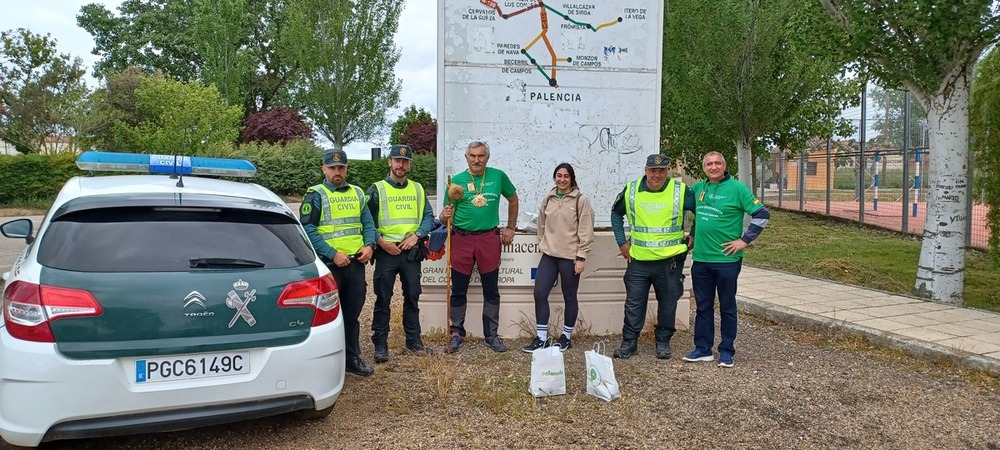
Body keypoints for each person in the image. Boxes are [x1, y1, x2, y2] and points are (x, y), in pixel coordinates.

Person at [682, 151, 770, 368]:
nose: (713, 167)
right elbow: (697, 215)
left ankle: (727, 351)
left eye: (717, 163)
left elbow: (762, 214)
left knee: (727, 306)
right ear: (704, 168)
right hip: (701, 259)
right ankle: (703, 349)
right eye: (709, 164)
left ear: (724, 165)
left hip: (727, 260)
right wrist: (692, 234)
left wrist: (745, 240)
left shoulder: (738, 189)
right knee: (703, 306)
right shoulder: (698, 189)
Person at [610, 154, 696, 360]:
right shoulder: (631, 190)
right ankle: (629, 342)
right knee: (634, 303)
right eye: (652, 170)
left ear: (667, 171)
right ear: (645, 170)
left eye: (662, 170)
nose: (657, 174)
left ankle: (663, 342)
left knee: (668, 302)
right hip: (638, 260)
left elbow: (700, 213)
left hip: (670, 261)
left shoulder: (680, 191)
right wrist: (622, 242)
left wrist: (694, 233)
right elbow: (615, 214)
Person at [300, 149, 377, 376]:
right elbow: (307, 229)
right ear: (324, 169)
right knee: (326, 317)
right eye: (332, 168)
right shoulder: (315, 194)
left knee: (352, 315)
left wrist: (370, 245)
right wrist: (333, 253)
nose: (337, 172)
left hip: (355, 264)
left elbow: (368, 224)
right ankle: (325, 363)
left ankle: (351, 358)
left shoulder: (357, 193)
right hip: (330, 266)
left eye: (341, 167)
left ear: (346, 169)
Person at [439, 140, 518, 353]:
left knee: (491, 289)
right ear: (466, 158)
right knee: (459, 289)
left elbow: (513, 199)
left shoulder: (498, 176)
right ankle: (456, 332)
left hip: (488, 239)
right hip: (462, 239)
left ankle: (491, 335)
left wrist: (511, 227)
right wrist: (443, 215)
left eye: (481, 156)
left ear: (487, 158)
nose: (476, 160)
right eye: (472, 156)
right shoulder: (456, 181)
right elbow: (444, 215)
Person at [366, 144, 435, 363]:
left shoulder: (417, 188)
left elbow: (428, 217)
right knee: (383, 298)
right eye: (397, 161)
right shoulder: (376, 190)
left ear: (410, 165)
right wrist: (381, 243)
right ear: (389, 162)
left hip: (410, 252)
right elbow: (366, 221)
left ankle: (413, 342)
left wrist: (417, 235)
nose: (401, 165)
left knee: (412, 296)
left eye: (405, 161)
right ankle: (380, 345)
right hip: (387, 251)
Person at [522, 163, 595, 353]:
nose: (562, 180)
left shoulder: (580, 200)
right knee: (539, 293)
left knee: (569, 296)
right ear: (555, 177)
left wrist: (581, 257)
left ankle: (566, 336)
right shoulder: (549, 198)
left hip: (570, 257)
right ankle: (541, 338)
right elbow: (541, 224)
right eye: (558, 175)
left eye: (566, 176)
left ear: (572, 179)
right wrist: (545, 243)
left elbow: (586, 231)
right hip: (549, 255)